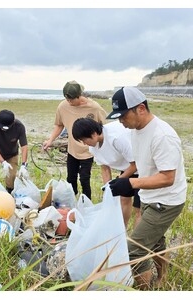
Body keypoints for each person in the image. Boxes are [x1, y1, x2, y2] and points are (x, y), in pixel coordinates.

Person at [107, 86, 186, 290]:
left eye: (123, 116)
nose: (120, 121)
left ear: (140, 108)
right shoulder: (136, 130)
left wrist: (131, 183)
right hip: (150, 195)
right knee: (156, 242)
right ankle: (162, 277)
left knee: (135, 251)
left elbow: (168, 177)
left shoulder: (163, 135)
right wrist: (123, 180)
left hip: (166, 200)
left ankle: (143, 291)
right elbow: (143, 165)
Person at [72, 117, 141, 228]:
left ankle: (137, 242)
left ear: (94, 134)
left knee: (139, 208)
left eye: (85, 140)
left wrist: (118, 180)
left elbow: (136, 164)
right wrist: (108, 188)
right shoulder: (93, 148)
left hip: (143, 166)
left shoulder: (116, 138)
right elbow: (105, 168)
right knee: (124, 199)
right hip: (128, 166)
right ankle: (121, 232)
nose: (85, 144)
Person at [43, 80, 107, 200]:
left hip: (88, 150)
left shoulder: (94, 108)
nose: (69, 102)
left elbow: (103, 128)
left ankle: (86, 202)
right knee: (70, 179)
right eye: (67, 99)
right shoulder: (63, 106)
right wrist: (50, 140)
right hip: (72, 150)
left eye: (71, 99)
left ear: (79, 96)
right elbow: (59, 125)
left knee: (84, 178)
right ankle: (71, 201)